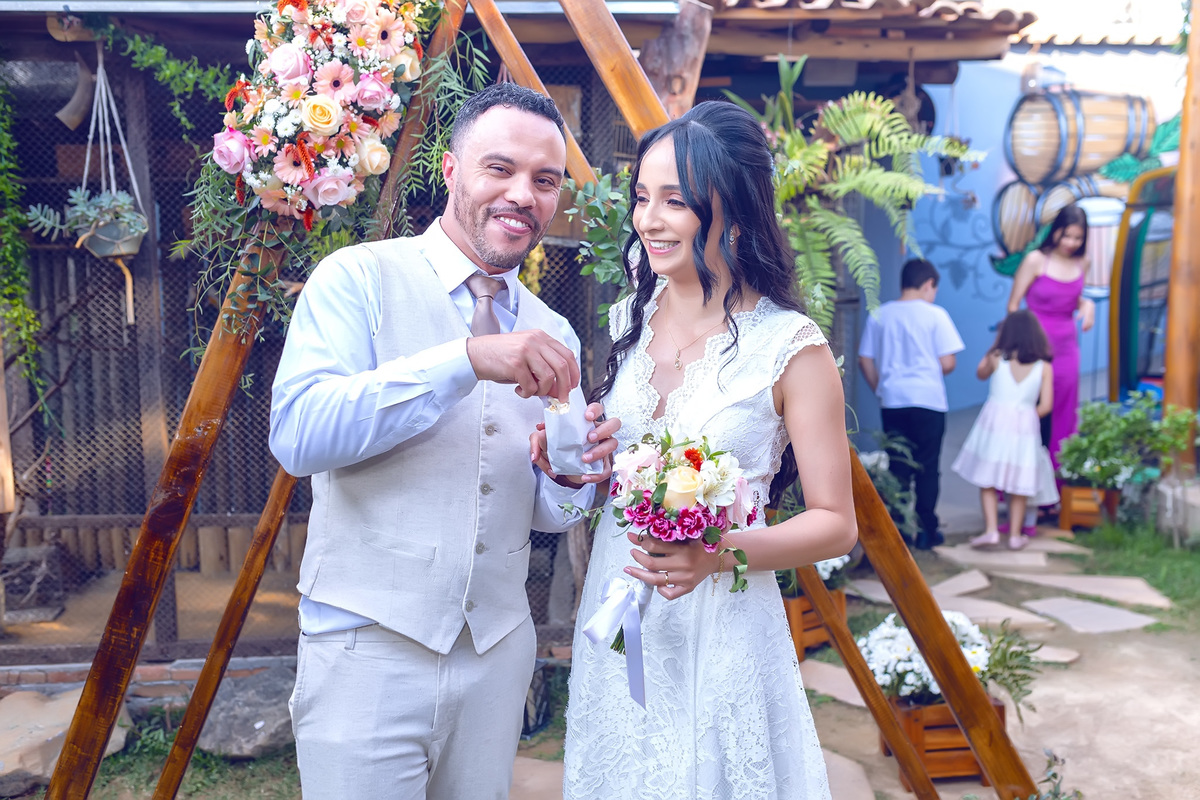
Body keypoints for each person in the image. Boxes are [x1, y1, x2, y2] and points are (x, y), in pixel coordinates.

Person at [268, 83, 621, 799]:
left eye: (545, 180)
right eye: (500, 168)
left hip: (497, 654)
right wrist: (464, 360)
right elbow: (299, 436)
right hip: (366, 648)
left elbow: (551, 515)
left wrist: (570, 477)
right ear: (453, 169)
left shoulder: (553, 330)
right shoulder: (358, 278)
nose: (523, 194)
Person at [553, 101, 857, 800]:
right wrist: (583, 455)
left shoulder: (790, 348)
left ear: (736, 213)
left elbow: (836, 523)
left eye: (675, 201)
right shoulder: (631, 316)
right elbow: (617, 466)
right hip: (621, 599)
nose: (648, 219)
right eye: (642, 197)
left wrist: (717, 554)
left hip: (723, 616)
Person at [857, 258, 964, 549]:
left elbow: (864, 359)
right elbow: (948, 361)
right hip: (929, 400)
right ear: (929, 284)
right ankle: (927, 530)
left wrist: (881, 388)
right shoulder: (936, 315)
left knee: (898, 465)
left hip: (893, 400)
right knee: (928, 466)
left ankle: (900, 531)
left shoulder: (880, 314)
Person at [952, 310, 1055, 551]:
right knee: (1019, 483)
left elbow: (980, 373)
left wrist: (995, 345)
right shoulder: (1044, 367)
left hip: (994, 425)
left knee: (987, 478)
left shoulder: (996, 357)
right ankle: (1016, 535)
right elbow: (1046, 405)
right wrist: (1026, 416)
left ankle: (991, 531)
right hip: (1025, 428)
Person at [1007, 204, 1094, 471]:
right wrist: (1016, 344)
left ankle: (1057, 480)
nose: (1071, 243)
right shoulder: (1035, 260)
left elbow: (1072, 297)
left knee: (1064, 412)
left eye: (1078, 238)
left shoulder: (1083, 262)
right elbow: (1013, 306)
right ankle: (1019, 476)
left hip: (1066, 347)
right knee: (1029, 409)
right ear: (1055, 231)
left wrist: (1087, 304)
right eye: (1066, 235)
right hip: (1033, 346)